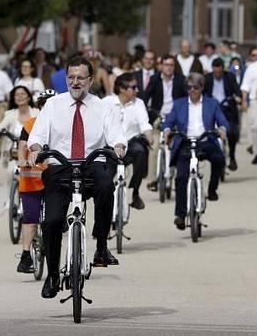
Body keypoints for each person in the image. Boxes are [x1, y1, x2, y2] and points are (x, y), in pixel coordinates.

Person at [27, 56, 126, 299]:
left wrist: (119, 146)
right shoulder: (53, 105)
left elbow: (116, 135)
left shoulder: (104, 106)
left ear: (90, 80)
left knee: (106, 185)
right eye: (71, 77)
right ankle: (52, 275)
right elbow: (37, 135)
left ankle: (101, 245)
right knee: (51, 221)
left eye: (80, 77)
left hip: (92, 163)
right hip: (60, 165)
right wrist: (37, 149)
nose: (75, 81)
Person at [162, 73, 229, 230]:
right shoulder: (179, 104)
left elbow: (223, 120)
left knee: (219, 159)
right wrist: (166, 130)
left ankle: (212, 189)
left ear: (202, 88)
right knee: (180, 177)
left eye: (196, 87)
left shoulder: (211, 103)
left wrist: (222, 129)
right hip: (185, 142)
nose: (192, 90)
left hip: (205, 141)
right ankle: (180, 214)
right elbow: (169, 121)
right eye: (189, 87)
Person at [15, 89, 56, 273]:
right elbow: (23, 143)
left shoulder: (62, 126)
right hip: (31, 180)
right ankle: (25, 257)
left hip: (54, 179)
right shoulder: (30, 124)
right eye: (44, 104)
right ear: (39, 107)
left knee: (57, 217)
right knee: (30, 218)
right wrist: (21, 160)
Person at [102, 72, 153, 209]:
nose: (137, 90)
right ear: (122, 89)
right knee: (105, 178)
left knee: (141, 152)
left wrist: (149, 135)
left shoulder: (139, 103)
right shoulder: (107, 102)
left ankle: (135, 192)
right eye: (133, 87)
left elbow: (144, 123)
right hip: (111, 146)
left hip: (131, 143)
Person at [140, 54, 187, 191]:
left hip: (175, 118)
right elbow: (145, 96)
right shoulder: (155, 79)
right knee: (154, 147)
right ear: (161, 66)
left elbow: (185, 100)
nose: (168, 68)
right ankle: (153, 179)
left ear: (174, 66)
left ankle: (177, 176)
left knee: (178, 146)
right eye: (166, 65)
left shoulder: (180, 80)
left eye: (171, 65)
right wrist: (145, 109)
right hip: (157, 116)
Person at [204, 58, 243, 171]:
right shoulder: (208, 78)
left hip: (227, 108)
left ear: (222, 69)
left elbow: (237, 90)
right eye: (215, 72)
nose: (217, 74)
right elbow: (203, 92)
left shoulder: (230, 77)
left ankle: (232, 156)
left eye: (219, 72)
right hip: (212, 109)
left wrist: (237, 97)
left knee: (231, 132)